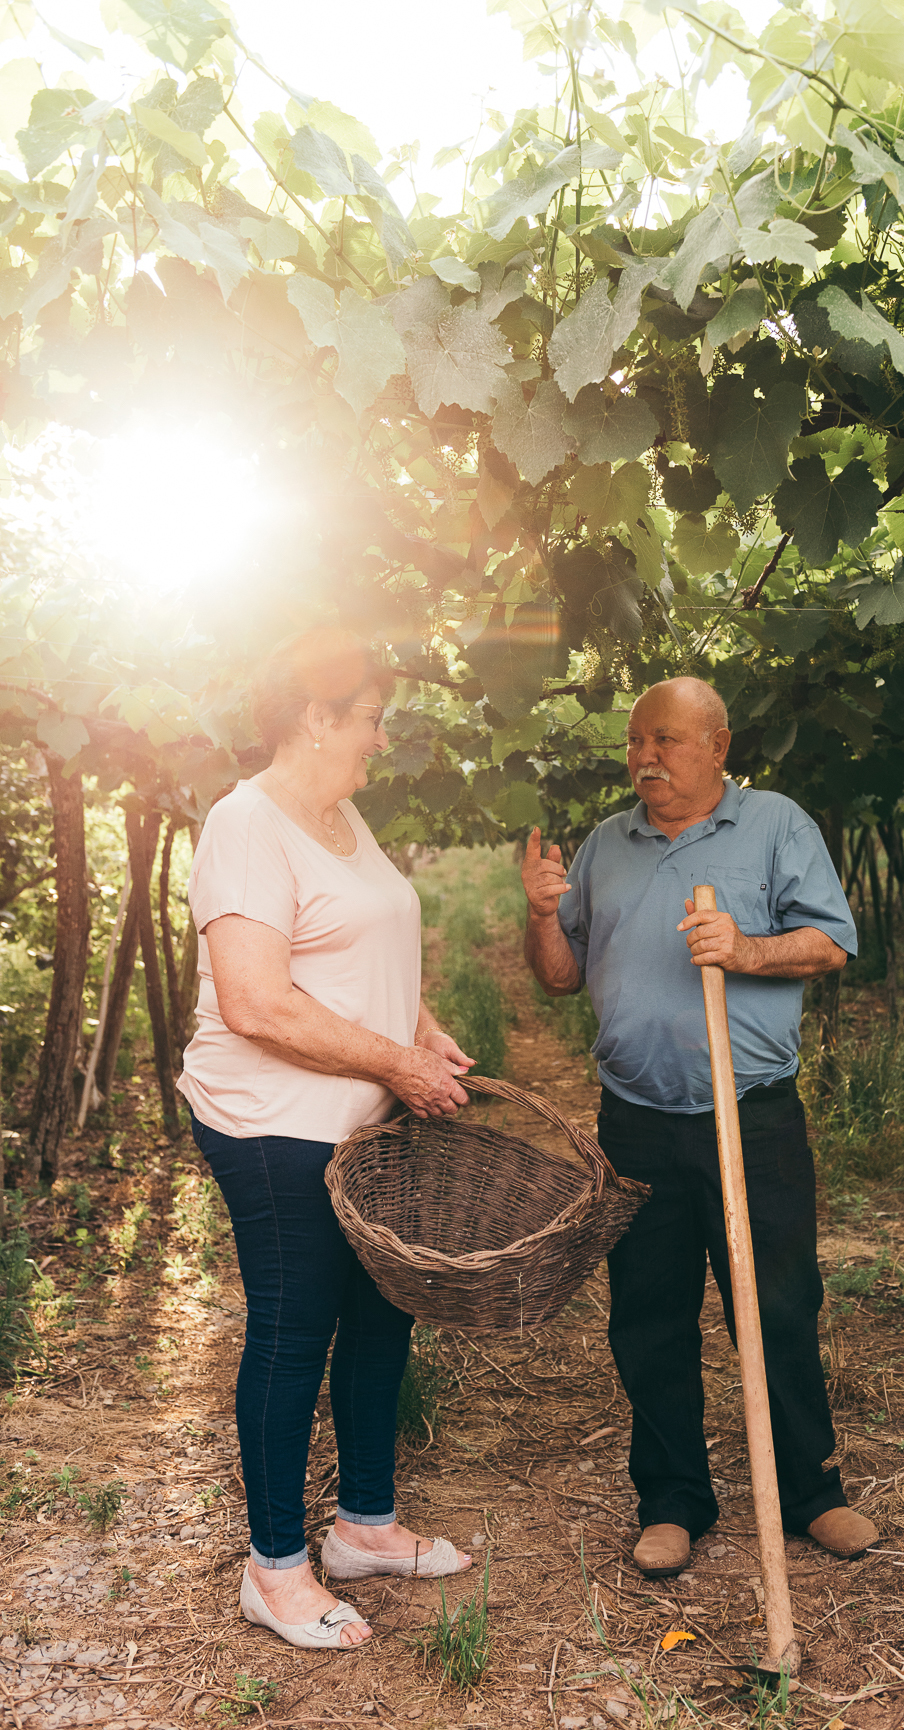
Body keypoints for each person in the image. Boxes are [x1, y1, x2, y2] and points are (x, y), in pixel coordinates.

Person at [520, 676, 877, 1579]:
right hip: (635, 1122)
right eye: (637, 742)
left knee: (780, 1304)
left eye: (669, 740)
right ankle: (673, 1500)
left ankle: (813, 1493)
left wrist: (745, 949)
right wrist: (537, 913)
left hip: (749, 1115)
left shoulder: (775, 826)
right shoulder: (607, 845)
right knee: (649, 1313)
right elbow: (558, 976)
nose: (647, 758)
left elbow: (829, 943)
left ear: (718, 746)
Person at [177, 628, 474, 1651]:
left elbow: (370, 940)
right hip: (276, 1125)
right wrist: (394, 1062)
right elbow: (257, 1002)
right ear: (315, 714)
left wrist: (421, 1029)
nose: (380, 738)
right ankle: (273, 1567)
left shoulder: (340, 811)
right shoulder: (246, 823)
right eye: (370, 716)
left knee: (382, 1310)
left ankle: (364, 1524)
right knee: (296, 1325)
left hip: (362, 1121)